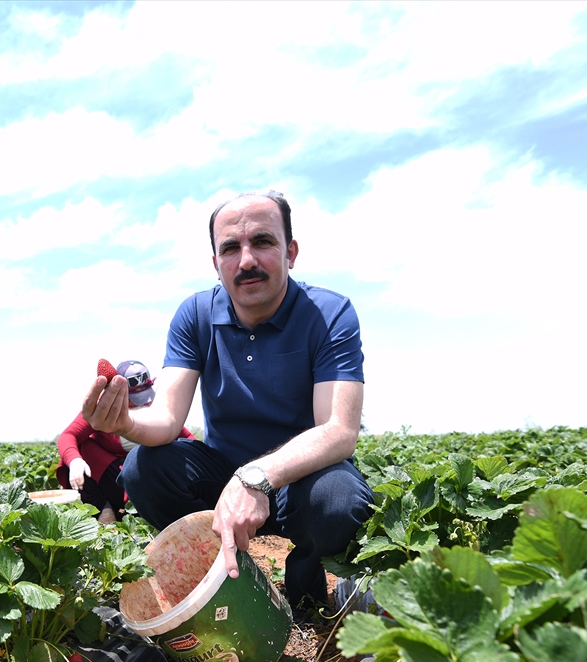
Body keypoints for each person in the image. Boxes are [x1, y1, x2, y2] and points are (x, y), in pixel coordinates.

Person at [82, 190, 374, 618]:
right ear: (215, 263)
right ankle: (222, 583)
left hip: (302, 480)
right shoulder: (196, 315)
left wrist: (255, 478)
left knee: (339, 499)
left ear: (291, 252)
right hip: (220, 481)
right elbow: (165, 419)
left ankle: (308, 594)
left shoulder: (328, 313)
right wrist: (124, 421)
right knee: (144, 468)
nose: (247, 260)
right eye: (231, 248)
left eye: (263, 242)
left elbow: (339, 430)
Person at [57, 360, 195, 524]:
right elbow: (68, 436)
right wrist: (74, 460)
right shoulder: (103, 410)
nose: (141, 403)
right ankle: (104, 509)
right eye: (134, 399)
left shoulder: (156, 411)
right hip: (113, 479)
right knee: (80, 449)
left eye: (144, 397)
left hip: (145, 477)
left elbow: (190, 440)